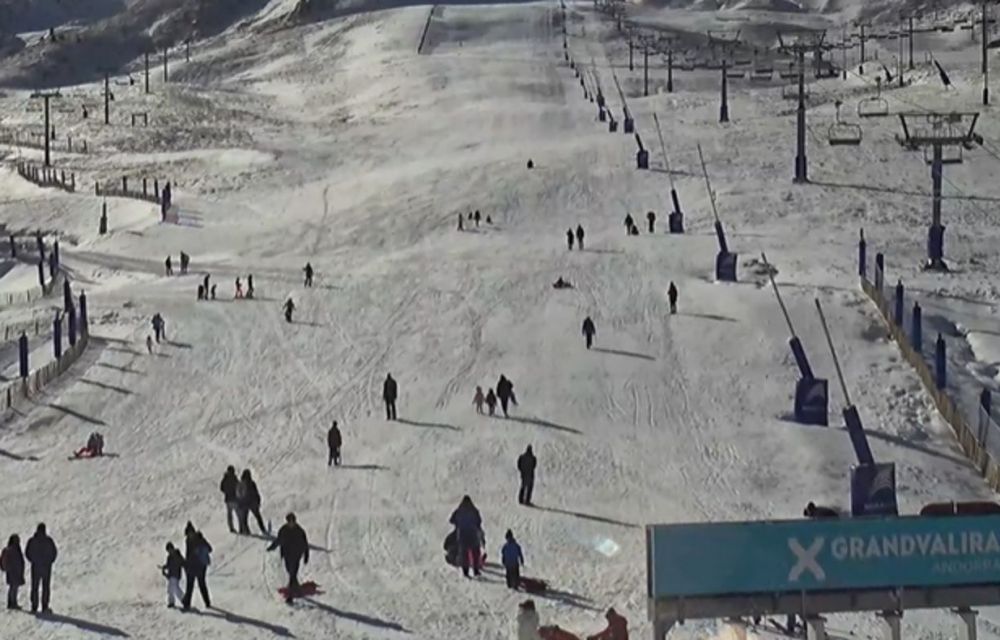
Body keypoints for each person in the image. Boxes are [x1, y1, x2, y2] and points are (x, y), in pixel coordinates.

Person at [268, 513, 309, 603]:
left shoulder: (300, 531)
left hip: (296, 554)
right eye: (289, 521)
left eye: (292, 521)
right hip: (287, 554)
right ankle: (296, 586)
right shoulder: (283, 530)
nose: (291, 523)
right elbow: (279, 540)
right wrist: (272, 547)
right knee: (290, 571)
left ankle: (290, 597)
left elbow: (305, 543)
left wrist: (306, 555)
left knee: (292, 573)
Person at [24, 523, 56, 614]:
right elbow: (54, 552)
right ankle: (45, 606)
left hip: (36, 567)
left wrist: (33, 561)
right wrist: (49, 561)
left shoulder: (32, 540)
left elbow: (27, 552)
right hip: (46, 567)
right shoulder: (48, 541)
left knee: (35, 587)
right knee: (46, 587)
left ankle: (34, 606)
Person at [449, 496, 483, 578]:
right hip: (473, 534)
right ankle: (476, 570)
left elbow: (451, 520)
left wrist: (458, 523)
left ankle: (465, 571)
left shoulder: (459, 511)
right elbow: (479, 521)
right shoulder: (474, 511)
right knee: (475, 553)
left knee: (464, 554)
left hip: (462, 535)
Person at [181, 522, 211, 610]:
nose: (189, 535)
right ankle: (187, 603)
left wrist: (199, 550)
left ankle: (207, 602)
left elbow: (209, 549)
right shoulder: (188, 541)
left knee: (200, 584)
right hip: (192, 565)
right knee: (190, 585)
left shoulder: (199, 539)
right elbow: (188, 554)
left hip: (199, 566)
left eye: (190, 533)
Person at [237, 469, 268, 535]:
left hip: (244, 503)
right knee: (258, 517)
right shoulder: (251, 483)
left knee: (244, 519)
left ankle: (246, 531)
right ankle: (263, 529)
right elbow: (255, 492)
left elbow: (238, 494)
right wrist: (258, 500)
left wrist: (240, 503)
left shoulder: (241, 484)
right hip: (252, 503)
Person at [1, 534, 24, 610]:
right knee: (13, 588)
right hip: (13, 571)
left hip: (14, 571)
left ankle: (12, 602)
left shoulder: (14, 549)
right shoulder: (13, 549)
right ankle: (12, 603)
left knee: (14, 588)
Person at [161, 542, 185, 608]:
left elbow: (182, 562)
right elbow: (169, 565)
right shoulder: (169, 557)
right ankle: (173, 601)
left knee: (175, 588)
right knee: (170, 589)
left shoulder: (177, 555)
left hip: (176, 574)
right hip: (171, 574)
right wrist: (164, 567)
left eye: (169, 550)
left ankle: (183, 600)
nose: (169, 552)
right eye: (168, 551)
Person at [220, 466, 240, 533]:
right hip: (234, 499)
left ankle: (231, 527)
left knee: (230, 515)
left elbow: (221, 488)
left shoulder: (225, 478)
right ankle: (241, 527)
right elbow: (238, 487)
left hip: (228, 499)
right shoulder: (234, 478)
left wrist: (226, 492)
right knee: (238, 514)